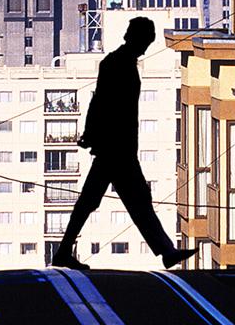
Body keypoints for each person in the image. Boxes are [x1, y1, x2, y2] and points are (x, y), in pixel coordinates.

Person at [52, 16, 197, 270]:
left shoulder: (118, 63)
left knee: (115, 201)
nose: (146, 46)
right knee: (127, 201)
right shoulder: (118, 64)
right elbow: (102, 102)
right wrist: (93, 134)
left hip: (117, 148)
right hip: (116, 149)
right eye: (146, 40)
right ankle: (165, 251)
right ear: (136, 38)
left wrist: (92, 134)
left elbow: (99, 102)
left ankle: (165, 251)